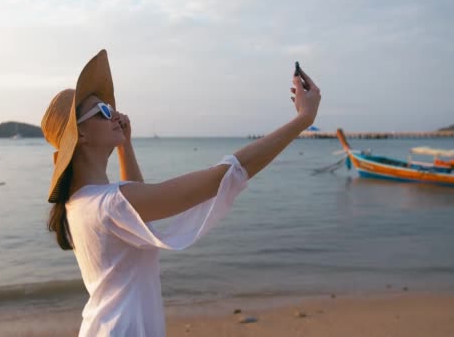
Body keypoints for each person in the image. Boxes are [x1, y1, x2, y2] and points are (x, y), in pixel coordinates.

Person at [40, 50, 321, 337]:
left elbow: (138, 212)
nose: (114, 114)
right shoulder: (106, 204)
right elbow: (224, 176)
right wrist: (303, 119)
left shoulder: (83, 202)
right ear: (81, 135)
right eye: (103, 112)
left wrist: (126, 146)